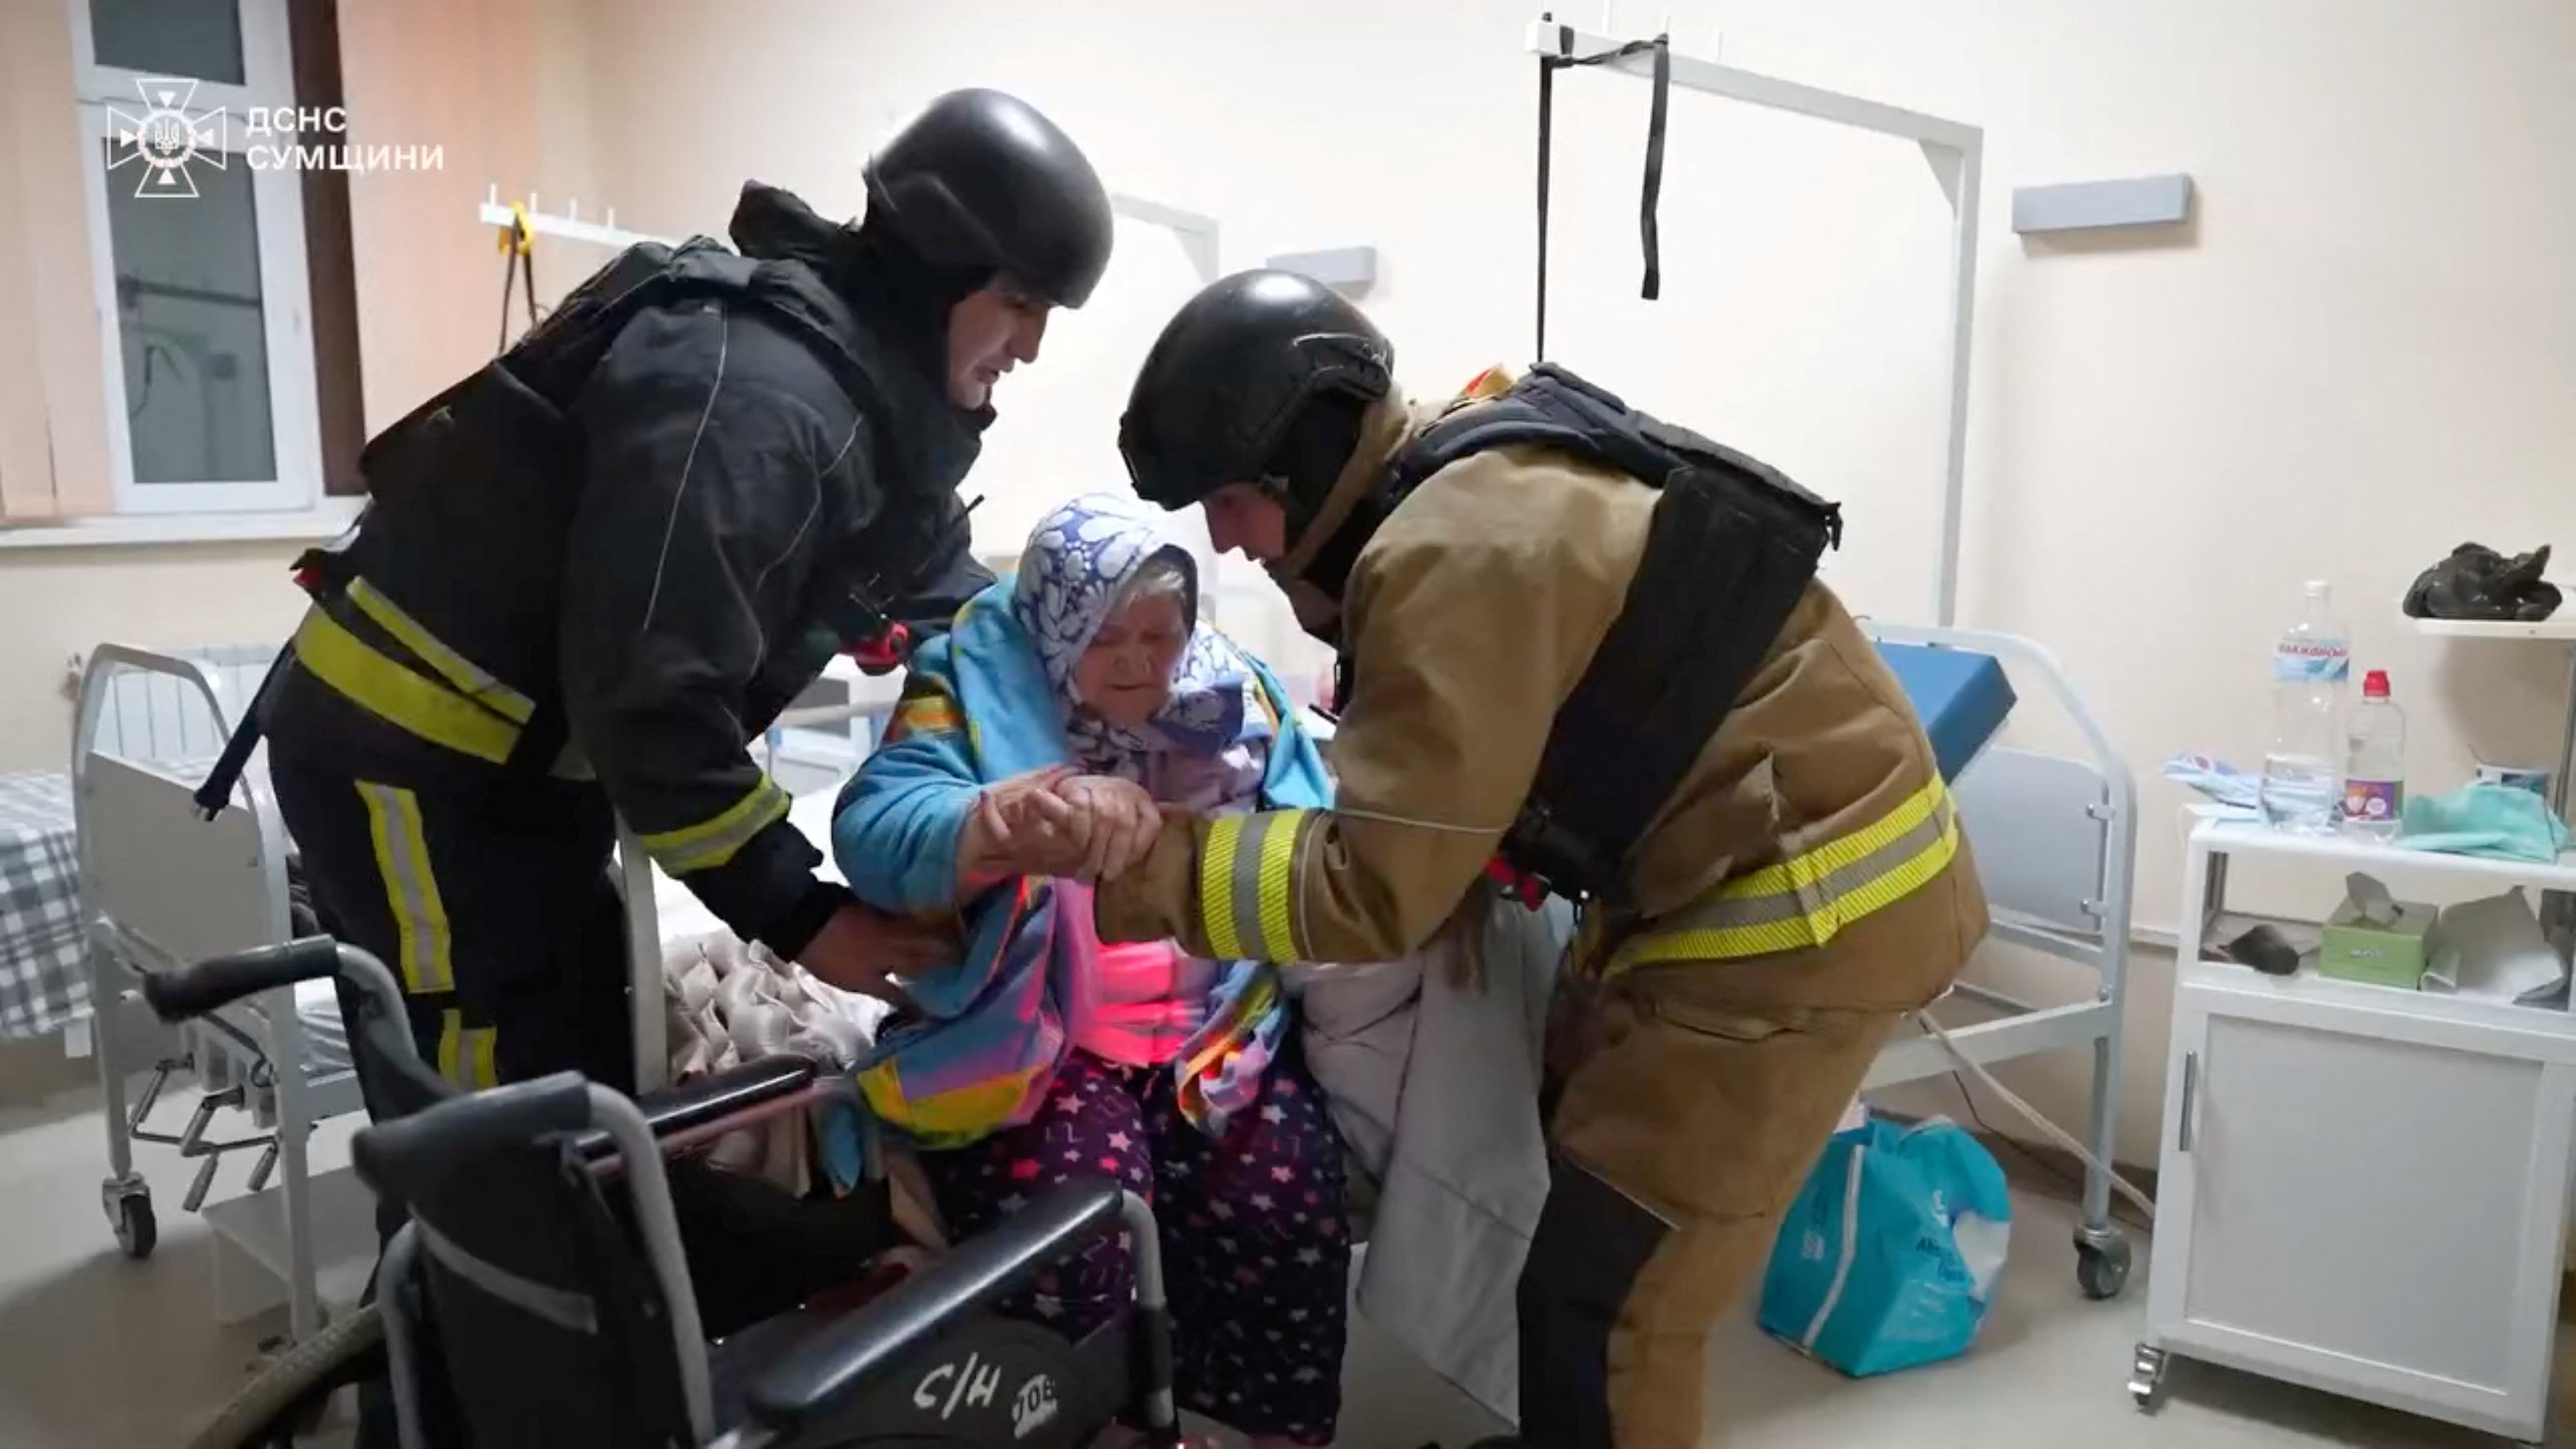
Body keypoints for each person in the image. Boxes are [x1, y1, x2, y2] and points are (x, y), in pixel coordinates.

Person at [1017, 268, 1989, 1449]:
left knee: (1612, 1304)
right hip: (1759, 872)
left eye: (1231, 500)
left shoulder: (1444, 552)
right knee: (1570, 1210)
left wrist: (1141, 863)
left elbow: (1369, 890)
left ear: (1306, 457)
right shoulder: (1481, 449)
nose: (1225, 539)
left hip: (1796, 917)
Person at [243, 86, 1110, 1387]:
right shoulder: (760, 400)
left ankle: (522, 1350)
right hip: (412, 765)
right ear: (945, 274)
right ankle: (463, 1382)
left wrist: (1107, 690)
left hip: (519, 779)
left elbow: (947, 595)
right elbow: (655, 710)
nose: (1031, 349)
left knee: (570, 1068)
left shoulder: (862, 401)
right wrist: (811, 917)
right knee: (497, 1125)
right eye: (1025, 306)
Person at [833, 494, 1352, 1448]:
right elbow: (873, 829)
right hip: (1044, 1040)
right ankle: (1102, 1429)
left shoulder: (1237, 694)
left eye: (1162, 633)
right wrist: (997, 822)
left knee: (1286, 1203)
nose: (1138, 662)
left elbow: (1318, 831)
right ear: (1056, 620)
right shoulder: (969, 683)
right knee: (1078, 1221)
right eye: (1106, 635)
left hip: (1212, 1039)